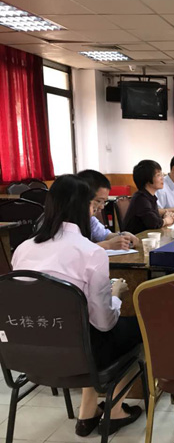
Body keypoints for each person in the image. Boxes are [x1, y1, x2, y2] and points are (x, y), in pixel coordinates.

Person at [10, 175, 143, 437]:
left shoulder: (22, 249)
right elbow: (104, 322)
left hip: (26, 354)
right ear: (85, 208)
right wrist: (115, 295)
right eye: (93, 205)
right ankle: (115, 411)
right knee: (137, 329)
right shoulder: (90, 252)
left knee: (80, 329)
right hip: (80, 355)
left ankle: (87, 412)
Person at [77, 170, 139, 250]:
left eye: (104, 202)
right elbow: (75, 250)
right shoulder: (66, 222)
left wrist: (123, 235)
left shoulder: (91, 220)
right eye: (98, 201)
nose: (102, 207)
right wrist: (107, 245)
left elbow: (104, 235)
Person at [122, 160, 174, 234]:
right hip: (135, 239)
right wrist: (167, 220)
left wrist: (165, 215)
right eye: (158, 175)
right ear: (147, 179)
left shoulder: (150, 196)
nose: (162, 178)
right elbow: (154, 223)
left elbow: (154, 218)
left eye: (162, 174)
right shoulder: (140, 198)